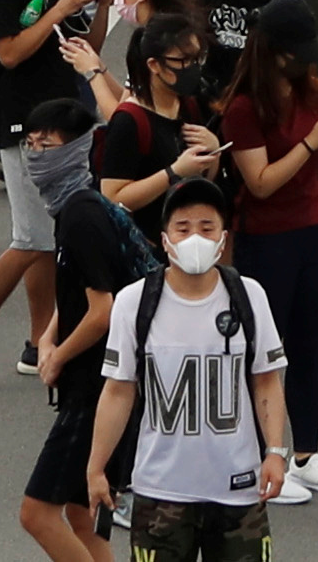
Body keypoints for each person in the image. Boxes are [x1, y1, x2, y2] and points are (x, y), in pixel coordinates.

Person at [82, 169, 289, 562]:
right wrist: (97, 468)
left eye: (207, 227)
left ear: (223, 238)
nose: (195, 237)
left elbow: (266, 380)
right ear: (165, 240)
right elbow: (118, 390)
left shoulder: (248, 296)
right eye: (183, 228)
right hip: (160, 492)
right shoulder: (135, 302)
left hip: (237, 491)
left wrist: (275, 452)